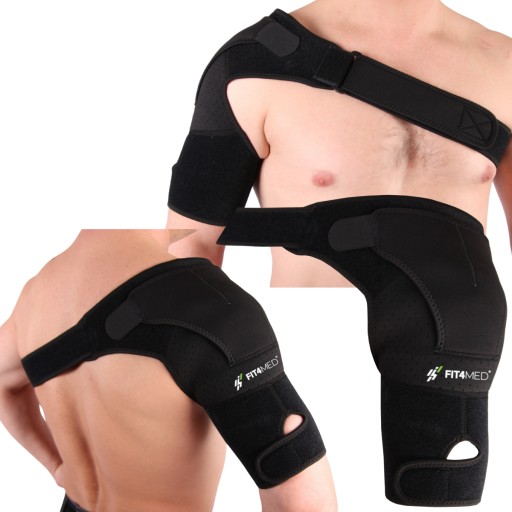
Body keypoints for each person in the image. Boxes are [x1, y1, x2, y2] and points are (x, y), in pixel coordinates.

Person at [166, 0, 512, 287]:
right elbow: (189, 245)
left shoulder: (503, 65)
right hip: (312, 338)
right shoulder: (251, 64)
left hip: (465, 344)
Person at [0, 230, 337, 512]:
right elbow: (303, 499)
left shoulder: (35, 294)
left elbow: (3, 380)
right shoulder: (211, 306)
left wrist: (57, 466)